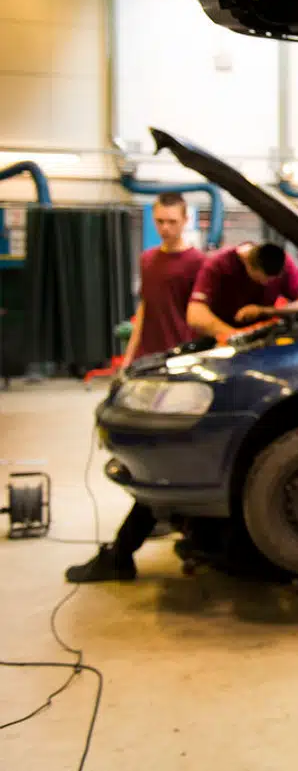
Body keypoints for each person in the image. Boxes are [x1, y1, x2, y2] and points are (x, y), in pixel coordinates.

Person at [66, 193, 206, 583]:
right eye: (160, 221)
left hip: (182, 371)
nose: (166, 228)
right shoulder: (148, 260)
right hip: (149, 367)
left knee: (170, 460)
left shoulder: (198, 263)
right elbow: (145, 310)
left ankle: (136, 543)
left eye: (172, 221)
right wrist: (128, 359)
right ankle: (158, 529)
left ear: (185, 219)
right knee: (147, 458)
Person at [187, 241, 298, 341]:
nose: (267, 283)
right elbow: (195, 316)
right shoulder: (218, 265)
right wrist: (238, 337)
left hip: (259, 344)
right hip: (219, 343)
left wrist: (264, 310)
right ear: (248, 263)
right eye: (262, 280)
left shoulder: (283, 263)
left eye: (271, 280)